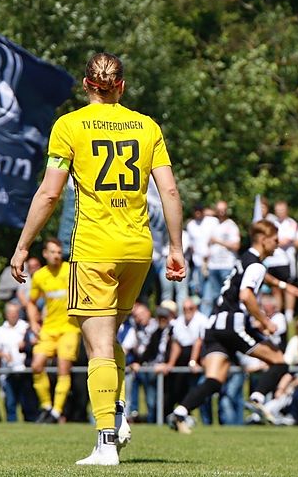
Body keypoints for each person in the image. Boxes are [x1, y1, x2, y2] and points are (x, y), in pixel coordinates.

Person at [10, 52, 185, 465]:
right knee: (108, 338)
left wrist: (22, 246)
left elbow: (50, 193)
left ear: (87, 85)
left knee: (99, 344)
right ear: (121, 86)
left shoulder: (69, 125)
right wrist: (176, 248)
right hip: (138, 249)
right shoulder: (147, 126)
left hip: (94, 249)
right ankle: (118, 413)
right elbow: (169, 191)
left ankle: (106, 440)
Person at [168, 220, 291, 433]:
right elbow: (246, 295)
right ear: (263, 240)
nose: (278, 244)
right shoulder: (256, 265)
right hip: (233, 325)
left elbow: (257, 278)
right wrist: (265, 321)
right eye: (275, 240)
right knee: (280, 362)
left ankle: (180, 412)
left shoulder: (244, 259)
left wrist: (282, 285)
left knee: (214, 380)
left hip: (215, 324)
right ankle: (257, 398)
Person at [20, 238, 80, 424]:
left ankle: (56, 411)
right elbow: (31, 302)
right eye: (53, 252)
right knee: (36, 366)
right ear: (45, 254)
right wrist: (33, 322)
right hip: (48, 328)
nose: (56, 255)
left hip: (69, 328)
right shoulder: (39, 276)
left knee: (63, 369)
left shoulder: (71, 270)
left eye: (59, 252)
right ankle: (46, 406)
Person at [203, 201, 241, 316]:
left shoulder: (231, 225)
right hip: (213, 265)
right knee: (212, 296)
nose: (221, 212)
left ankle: (226, 316)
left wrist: (218, 241)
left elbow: (236, 246)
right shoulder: (212, 224)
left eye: (223, 209)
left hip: (226, 265)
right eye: (219, 209)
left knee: (227, 294)